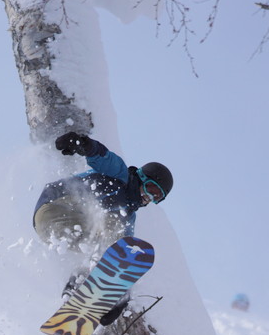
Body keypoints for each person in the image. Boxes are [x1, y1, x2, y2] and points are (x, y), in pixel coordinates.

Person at [33, 131, 173, 324]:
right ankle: (83, 280)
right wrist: (84, 144)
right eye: (151, 189)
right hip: (56, 206)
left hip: (54, 230)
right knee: (114, 228)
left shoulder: (128, 217)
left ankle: (77, 286)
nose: (149, 197)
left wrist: (119, 296)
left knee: (117, 245)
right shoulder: (121, 174)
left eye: (157, 197)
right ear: (141, 177)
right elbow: (103, 157)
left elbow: (123, 254)